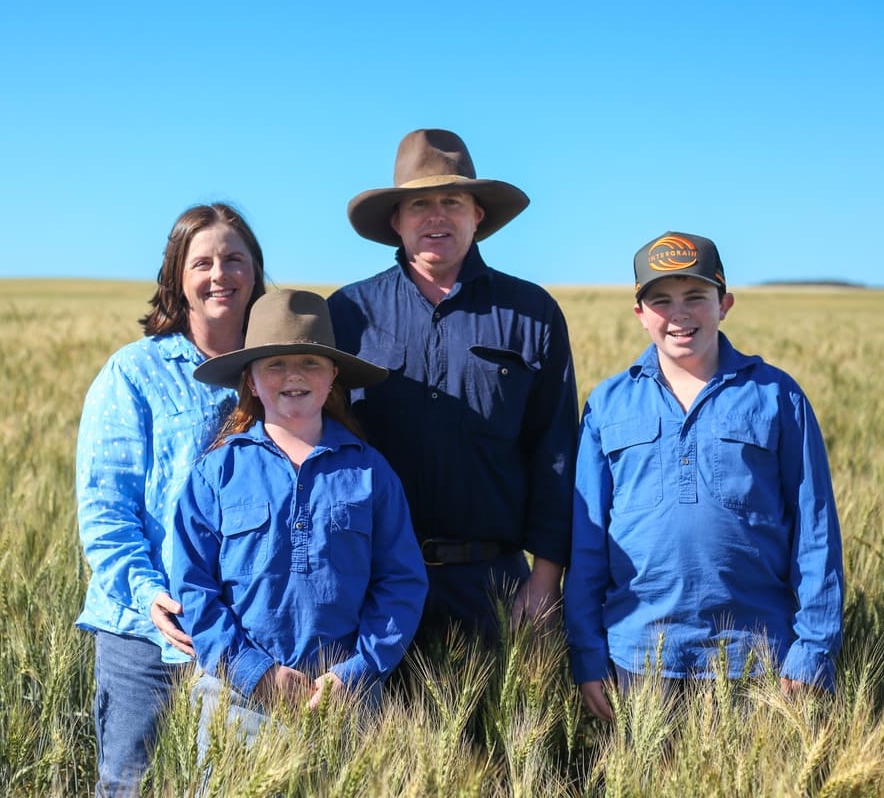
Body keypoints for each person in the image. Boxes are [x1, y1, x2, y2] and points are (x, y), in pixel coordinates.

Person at [563, 231, 844, 720]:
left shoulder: (777, 397)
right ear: (640, 314)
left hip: (757, 658)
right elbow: (587, 546)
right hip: (638, 657)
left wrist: (814, 649)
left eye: (696, 297)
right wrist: (588, 655)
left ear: (724, 303)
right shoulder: (607, 405)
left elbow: (815, 531)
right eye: (661, 300)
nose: (679, 314)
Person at [326, 129, 578, 642]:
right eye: (419, 204)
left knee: (500, 725)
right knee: (376, 724)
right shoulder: (348, 314)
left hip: (496, 584)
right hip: (375, 579)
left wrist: (547, 575)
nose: (436, 216)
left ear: (477, 215)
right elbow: (318, 441)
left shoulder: (531, 313)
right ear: (396, 220)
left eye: (451, 201)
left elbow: (556, 451)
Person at [169, 289, 428, 751]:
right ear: (249, 380)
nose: (293, 376)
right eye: (274, 364)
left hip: (346, 704)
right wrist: (254, 672)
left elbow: (401, 583)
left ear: (333, 378)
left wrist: (357, 672)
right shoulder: (216, 473)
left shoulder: (371, 473)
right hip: (235, 702)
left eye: (311, 363)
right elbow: (194, 589)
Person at [75, 203, 266, 795]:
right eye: (202, 261)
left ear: (257, 273)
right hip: (146, 633)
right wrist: (148, 592)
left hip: (246, 633)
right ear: (176, 278)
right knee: (129, 785)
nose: (220, 274)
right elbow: (107, 509)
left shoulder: (280, 369)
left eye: (235, 259)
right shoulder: (133, 373)